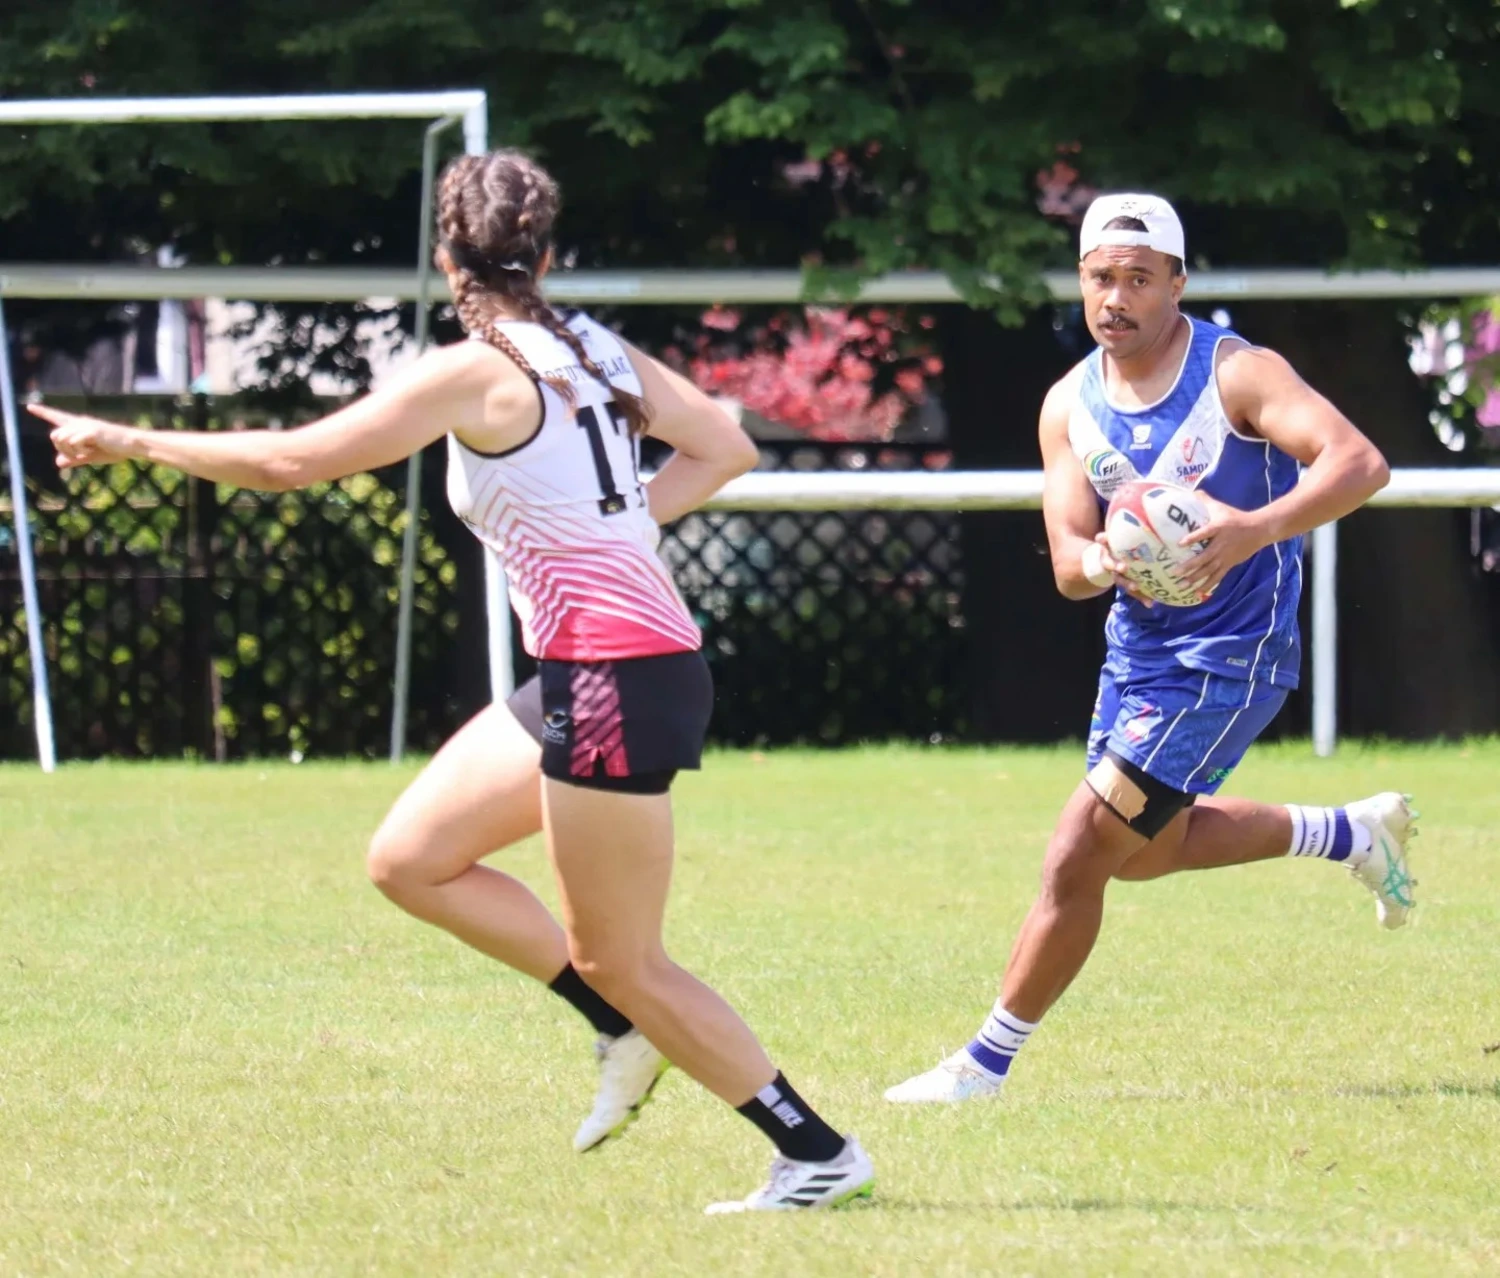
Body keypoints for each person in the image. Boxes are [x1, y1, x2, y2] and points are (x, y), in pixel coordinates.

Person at [32, 148, 876, 1213]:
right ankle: (619, 1032)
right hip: (609, 667)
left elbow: (298, 460)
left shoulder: (474, 370)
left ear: (447, 257)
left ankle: (815, 1150)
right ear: (547, 253)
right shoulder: (594, 350)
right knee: (410, 859)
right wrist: (616, 529)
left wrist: (135, 439)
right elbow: (724, 446)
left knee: (624, 957)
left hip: (612, 677)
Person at [885, 192, 1417, 1105]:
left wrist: (1254, 528)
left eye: (1138, 278)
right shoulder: (1069, 407)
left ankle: (982, 1065)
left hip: (1232, 654)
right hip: (1138, 655)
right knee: (1142, 852)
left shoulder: (1237, 374)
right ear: (1082, 282)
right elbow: (1065, 563)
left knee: (1075, 853)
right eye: (1100, 278)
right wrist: (1106, 555)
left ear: (1177, 282)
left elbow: (1358, 462)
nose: (1116, 297)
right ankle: (1346, 832)